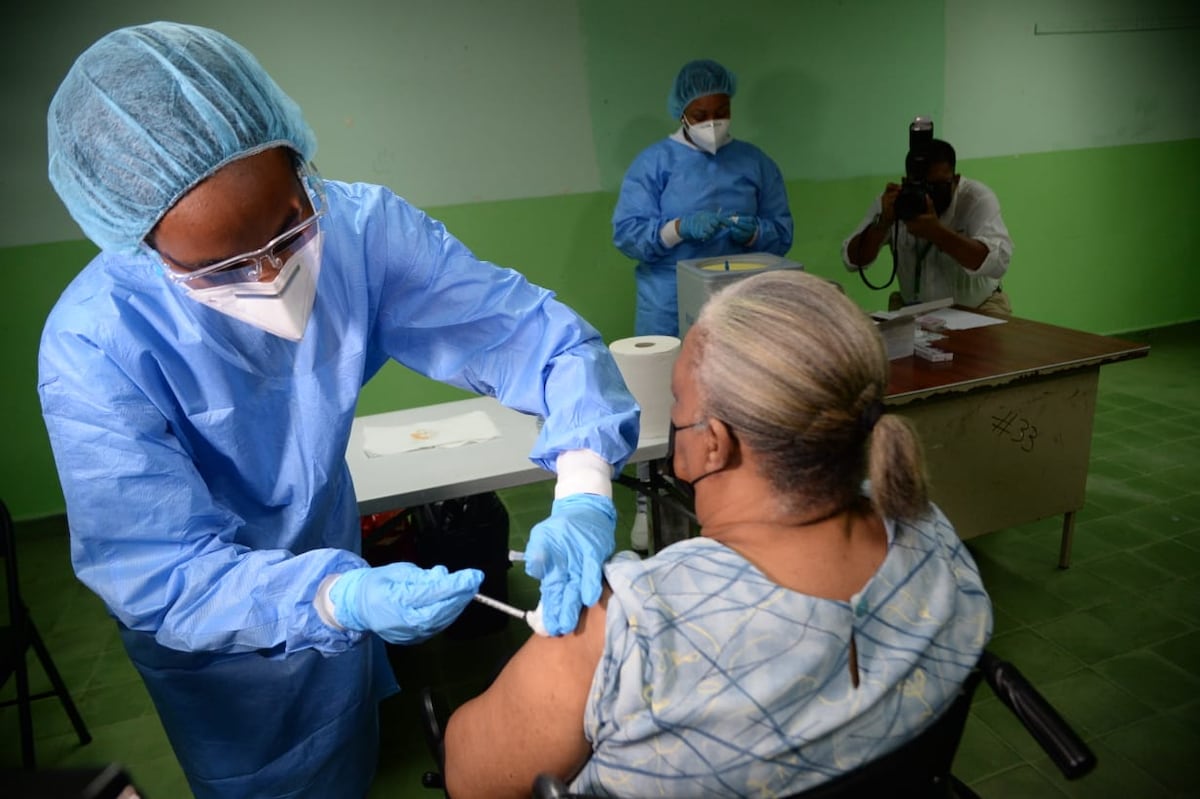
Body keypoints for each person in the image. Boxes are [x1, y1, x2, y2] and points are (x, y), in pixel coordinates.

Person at [38, 22, 637, 799]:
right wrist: (332, 596)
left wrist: (585, 485)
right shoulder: (95, 344)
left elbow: (533, 339)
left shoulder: (359, 235)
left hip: (330, 560)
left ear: (298, 160)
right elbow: (162, 570)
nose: (271, 274)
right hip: (221, 661)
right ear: (144, 244)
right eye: (223, 266)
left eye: (289, 225)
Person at [442, 270, 993, 798]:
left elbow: (470, 778)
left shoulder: (633, 625)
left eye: (677, 401)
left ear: (713, 443)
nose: (672, 414)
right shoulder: (927, 530)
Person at [612, 58, 793, 549]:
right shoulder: (654, 164)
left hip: (737, 305)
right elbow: (627, 235)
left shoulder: (755, 162)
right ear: (682, 113)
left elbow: (782, 234)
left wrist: (753, 232)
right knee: (661, 403)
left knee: (738, 399)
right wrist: (677, 229)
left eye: (721, 111)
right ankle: (649, 502)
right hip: (667, 303)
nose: (713, 122)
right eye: (701, 114)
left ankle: (737, 497)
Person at [842, 137, 1013, 315]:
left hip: (978, 309)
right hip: (914, 312)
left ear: (955, 179)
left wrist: (937, 233)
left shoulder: (975, 198)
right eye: (922, 186)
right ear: (905, 181)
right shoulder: (894, 202)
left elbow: (999, 262)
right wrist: (882, 224)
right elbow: (852, 261)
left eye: (938, 186)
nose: (930, 195)